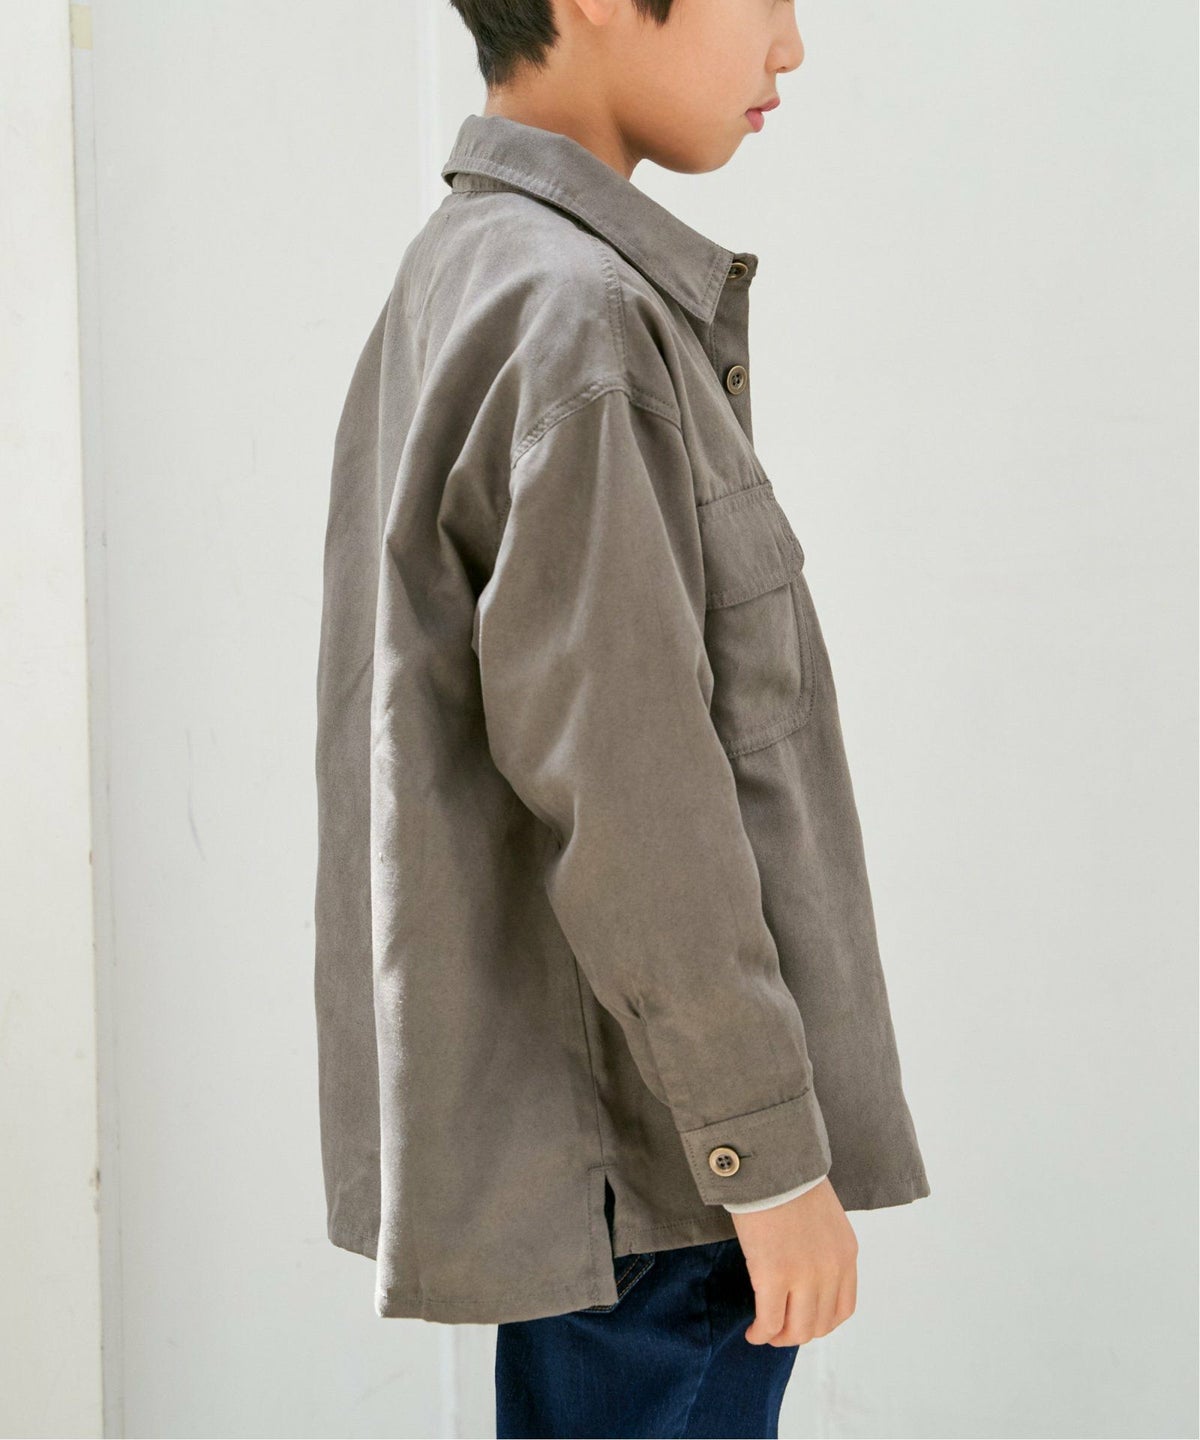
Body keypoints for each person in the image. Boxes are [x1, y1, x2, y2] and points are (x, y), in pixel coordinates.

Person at [313, 2, 931, 1436]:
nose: (790, 46)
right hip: (661, 1184)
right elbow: (632, 800)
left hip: (600, 1152)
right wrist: (766, 1161)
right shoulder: (578, 315)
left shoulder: (468, 271)